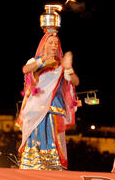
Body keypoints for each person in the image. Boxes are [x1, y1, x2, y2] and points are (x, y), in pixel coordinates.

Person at [17, 32, 79, 170]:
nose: (53, 46)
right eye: (50, 42)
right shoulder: (35, 61)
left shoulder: (61, 64)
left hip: (54, 106)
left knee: (53, 136)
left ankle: (52, 166)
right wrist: (42, 60)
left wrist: (68, 68)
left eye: (56, 43)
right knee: (36, 134)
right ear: (44, 44)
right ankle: (33, 164)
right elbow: (25, 70)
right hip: (36, 107)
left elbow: (75, 81)